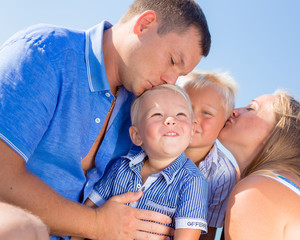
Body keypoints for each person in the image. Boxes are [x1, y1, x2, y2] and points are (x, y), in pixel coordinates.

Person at [0, 0, 211, 239]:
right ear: (144, 24)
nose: (170, 80)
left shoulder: (143, 108)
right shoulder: (44, 53)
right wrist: (96, 223)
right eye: (173, 60)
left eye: (180, 75)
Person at [72, 84, 208, 240]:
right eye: (157, 114)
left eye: (180, 114)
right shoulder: (120, 167)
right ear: (136, 135)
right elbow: (87, 217)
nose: (170, 120)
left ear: (192, 131)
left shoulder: (193, 181)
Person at [218, 91, 300, 239]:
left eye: (251, 108)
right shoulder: (291, 191)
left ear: (276, 134)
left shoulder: (257, 191)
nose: (234, 112)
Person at [178, 70, 238, 240]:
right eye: (186, 107)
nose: (193, 118)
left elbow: (207, 233)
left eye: (206, 113)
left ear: (225, 122)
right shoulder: (153, 144)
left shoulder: (224, 174)